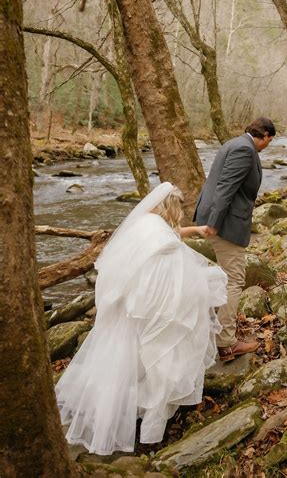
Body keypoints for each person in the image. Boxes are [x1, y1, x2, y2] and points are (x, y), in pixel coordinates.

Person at [55, 182, 227, 456]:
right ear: (169, 207)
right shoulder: (161, 239)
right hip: (151, 307)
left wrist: (195, 230)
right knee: (160, 359)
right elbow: (169, 275)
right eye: (178, 208)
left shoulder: (141, 223)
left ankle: (107, 413)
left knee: (119, 362)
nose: (179, 213)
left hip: (126, 304)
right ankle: (150, 432)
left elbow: (165, 238)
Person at [194, 116, 275, 362]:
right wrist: (214, 223)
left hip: (223, 218)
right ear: (264, 135)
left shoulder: (234, 143)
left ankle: (214, 330)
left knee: (226, 277)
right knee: (234, 279)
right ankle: (226, 343)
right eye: (269, 140)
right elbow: (226, 187)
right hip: (225, 222)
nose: (268, 145)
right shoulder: (243, 149)